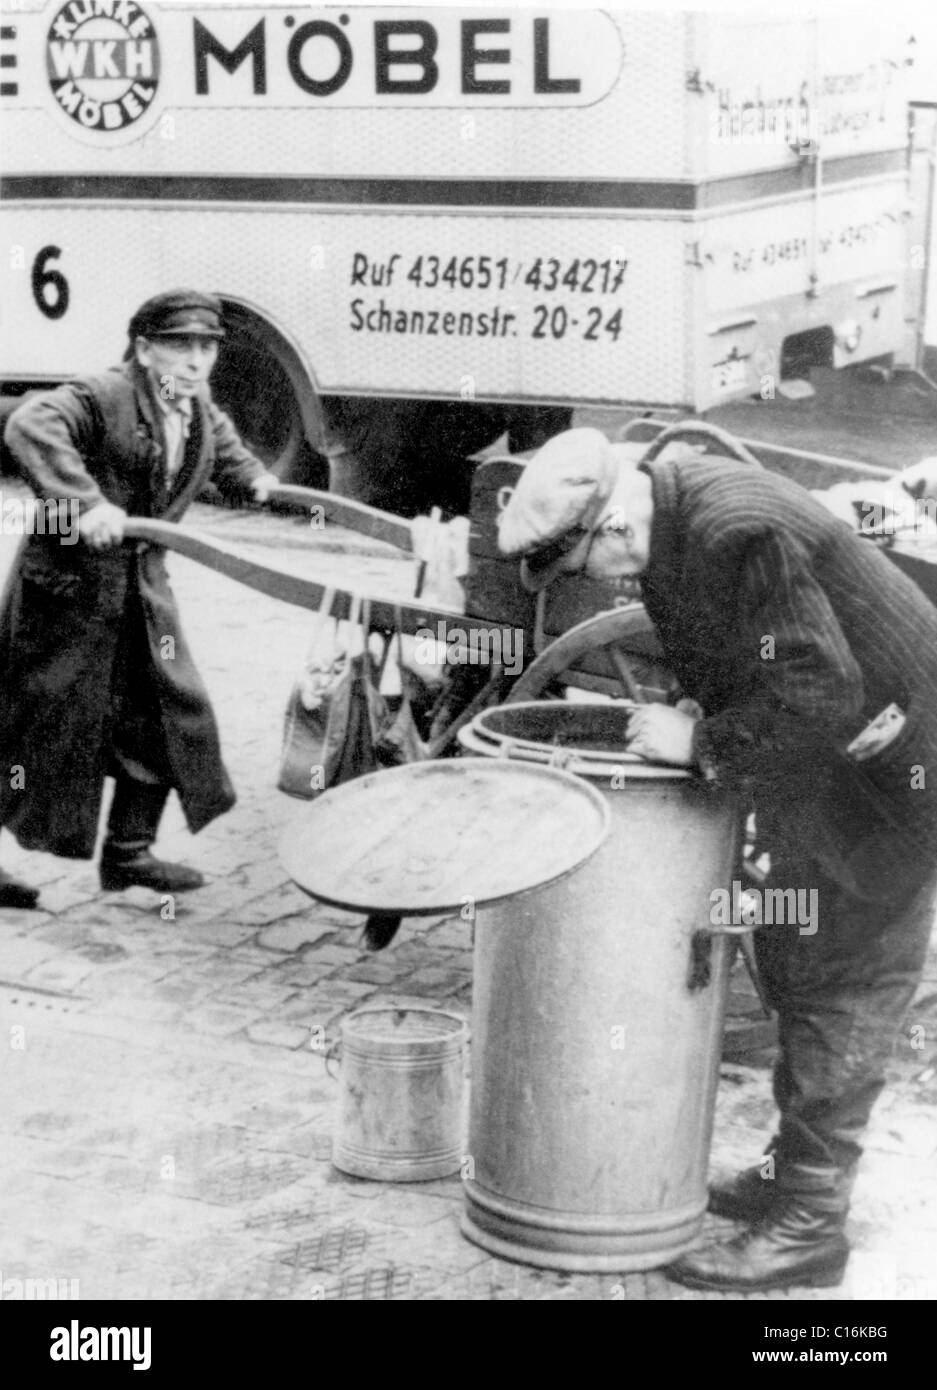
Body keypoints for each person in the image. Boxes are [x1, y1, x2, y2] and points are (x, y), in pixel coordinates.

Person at [497, 427, 937, 1293]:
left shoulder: (735, 531)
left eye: (587, 564)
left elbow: (818, 691)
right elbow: (753, 655)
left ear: (615, 526)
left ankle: (809, 1225)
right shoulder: (672, 514)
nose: (601, 583)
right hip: (839, 763)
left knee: (844, 975)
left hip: (901, 772)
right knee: (799, 957)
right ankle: (790, 1175)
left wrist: (699, 740)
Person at [1, 290, 279, 909]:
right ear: (145, 348)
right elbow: (29, 424)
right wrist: (86, 503)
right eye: (181, 346)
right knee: (28, 726)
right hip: (66, 594)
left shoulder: (195, 405)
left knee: (167, 710)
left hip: (139, 587)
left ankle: (128, 854)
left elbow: (222, 451)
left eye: (206, 348)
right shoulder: (104, 394)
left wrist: (256, 479)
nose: (196, 360)